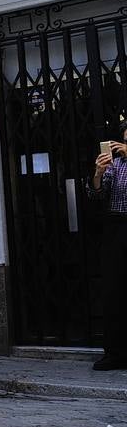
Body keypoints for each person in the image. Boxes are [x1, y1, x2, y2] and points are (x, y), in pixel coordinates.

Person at [89, 129, 127, 371]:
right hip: (117, 228)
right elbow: (97, 194)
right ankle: (115, 353)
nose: (123, 145)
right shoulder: (116, 164)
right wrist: (98, 173)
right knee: (115, 291)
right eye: (124, 140)